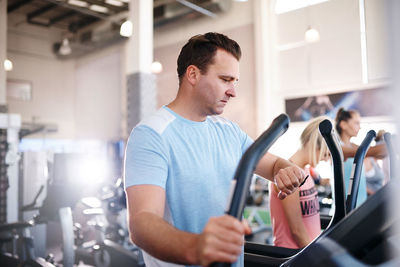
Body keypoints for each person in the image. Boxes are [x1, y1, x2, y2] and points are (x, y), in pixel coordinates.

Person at [124, 32, 307, 267]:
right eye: (225, 79)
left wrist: (286, 170)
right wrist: (195, 247)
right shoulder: (151, 134)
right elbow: (141, 223)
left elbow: (272, 165)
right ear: (193, 74)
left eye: (234, 82)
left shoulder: (228, 131)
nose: (233, 91)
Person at [269, 116, 330, 249]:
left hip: (307, 250)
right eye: (325, 154)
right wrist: (316, 258)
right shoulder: (289, 173)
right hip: (293, 255)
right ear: (313, 145)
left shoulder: (306, 171)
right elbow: (297, 231)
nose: (325, 159)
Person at [335, 108, 387, 207]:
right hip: (345, 209)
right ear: (343, 125)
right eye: (356, 123)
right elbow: (370, 151)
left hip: (360, 206)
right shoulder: (337, 147)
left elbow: (377, 153)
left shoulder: (353, 146)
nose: (360, 127)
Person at [365, 130, 387, 195]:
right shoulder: (367, 160)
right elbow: (360, 184)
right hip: (371, 199)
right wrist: (374, 194)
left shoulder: (377, 162)